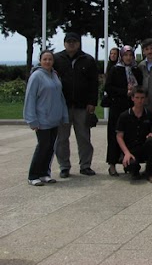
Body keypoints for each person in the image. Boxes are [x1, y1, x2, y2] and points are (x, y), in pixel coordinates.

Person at [54, 32, 99, 178]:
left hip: (82, 106)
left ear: (79, 43)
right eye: (68, 41)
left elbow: (94, 83)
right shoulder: (57, 59)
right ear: (64, 43)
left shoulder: (88, 60)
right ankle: (64, 166)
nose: (71, 44)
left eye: (74, 41)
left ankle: (85, 165)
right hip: (63, 106)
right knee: (61, 138)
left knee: (84, 137)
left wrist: (92, 102)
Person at [23, 50, 69, 186]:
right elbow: (30, 98)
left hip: (54, 119)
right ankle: (33, 175)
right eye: (45, 59)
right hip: (42, 119)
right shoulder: (36, 76)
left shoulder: (54, 75)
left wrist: (63, 115)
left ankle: (44, 173)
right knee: (42, 146)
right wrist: (32, 119)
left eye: (50, 59)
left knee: (50, 147)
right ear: (40, 60)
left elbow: (60, 97)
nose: (48, 62)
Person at [104, 45, 143, 176]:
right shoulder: (115, 70)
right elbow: (108, 87)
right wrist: (124, 92)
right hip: (117, 107)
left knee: (131, 135)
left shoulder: (136, 70)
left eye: (130, 55)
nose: (128, 58)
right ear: (121, 56)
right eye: (126, 55)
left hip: (132, 107)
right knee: (115, 135)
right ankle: (112, 164)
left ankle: (129, 162)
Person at [115, 87, 152, 182]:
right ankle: (134, 169)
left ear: (146, 99)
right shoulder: (124, 116)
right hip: (130, 149)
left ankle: (150, 172)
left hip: (144, 147)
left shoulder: (151, 115)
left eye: (142, 98)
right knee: (132, 166)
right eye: (137, 97)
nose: (140, 100)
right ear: (132, 98)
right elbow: (119, 136)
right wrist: (126, 153)